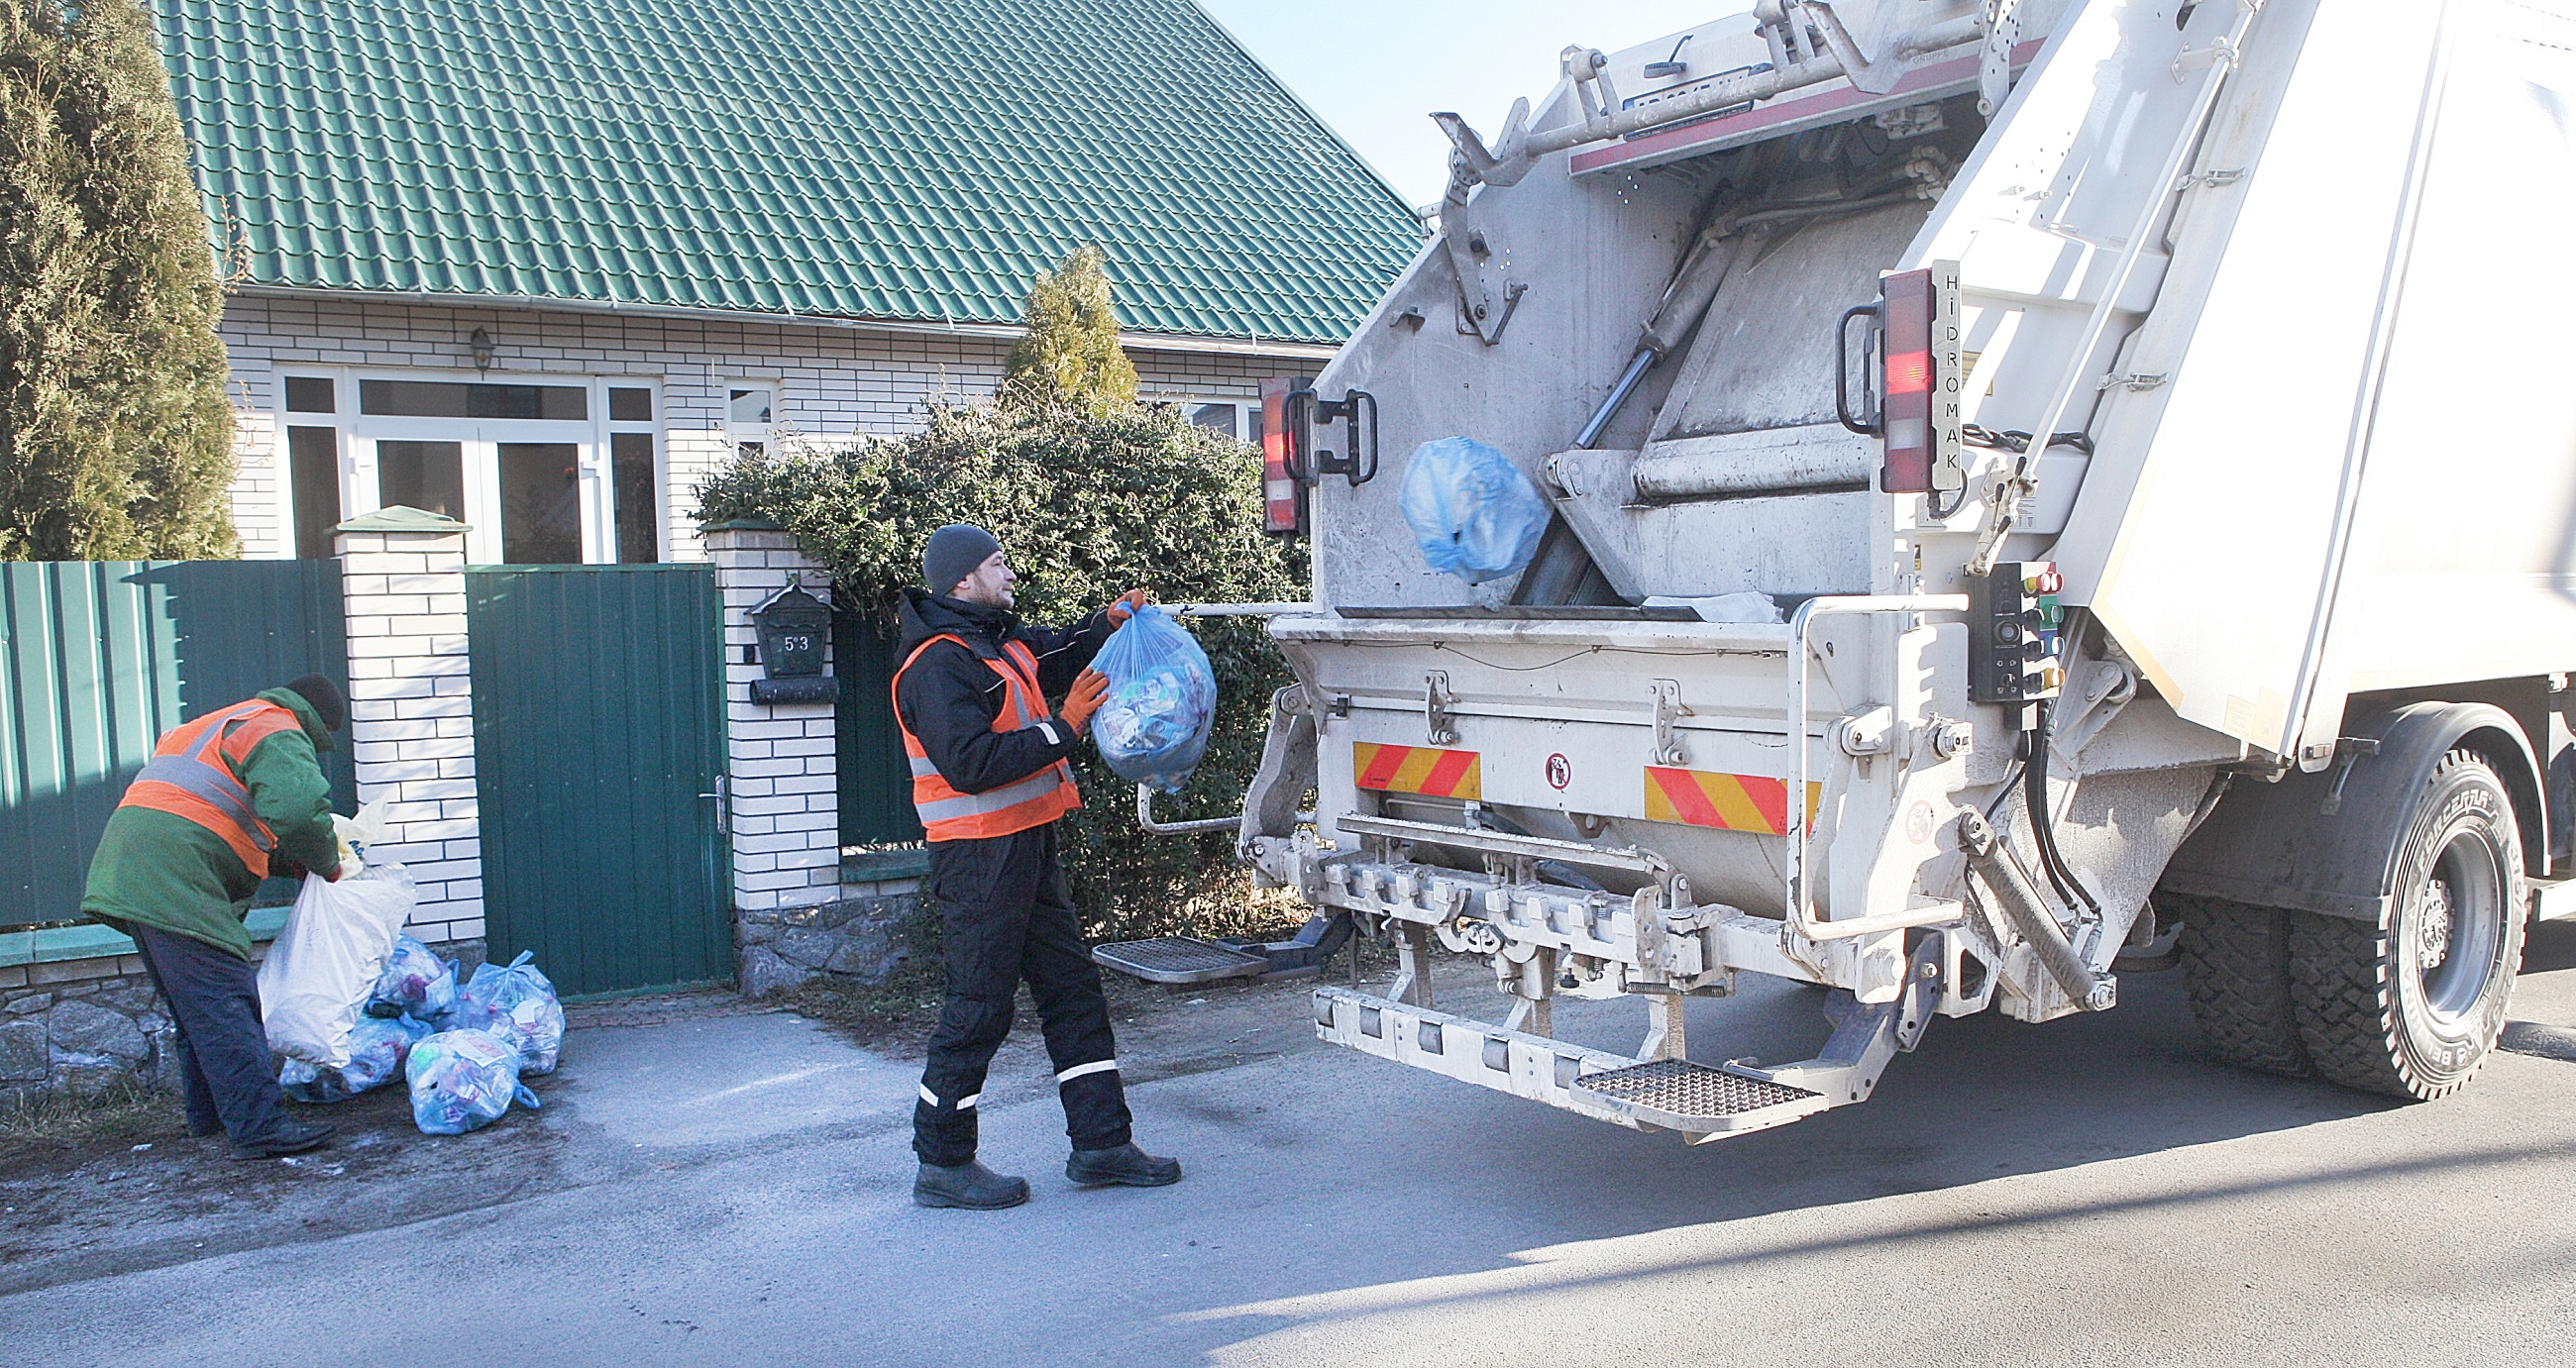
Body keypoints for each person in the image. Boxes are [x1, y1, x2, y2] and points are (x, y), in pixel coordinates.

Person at [896, 522, 1184, 1210]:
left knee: (1072, 991)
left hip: (1026, 845)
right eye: (998, 564)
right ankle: (941, 1160)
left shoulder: (994, 641)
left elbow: (1059, 654)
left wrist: (1108, 622)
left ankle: (1102, 1143)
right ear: (962, 580)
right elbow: (970, 764)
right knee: (978, 1007)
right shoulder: (936, 663)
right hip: (978, 859)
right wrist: (1067, 727)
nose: (1011, 572)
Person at [80, 676, 348, 1160]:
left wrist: (294, 864)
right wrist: (327, 861)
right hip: (176, 875)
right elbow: (299, 812)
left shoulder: (218, 724)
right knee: (227, 1003)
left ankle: (209, 1118)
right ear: (315, 723)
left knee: (197, 1010)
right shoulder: (279, 729)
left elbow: (215, 814)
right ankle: (259, 1126)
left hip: (134, 869)